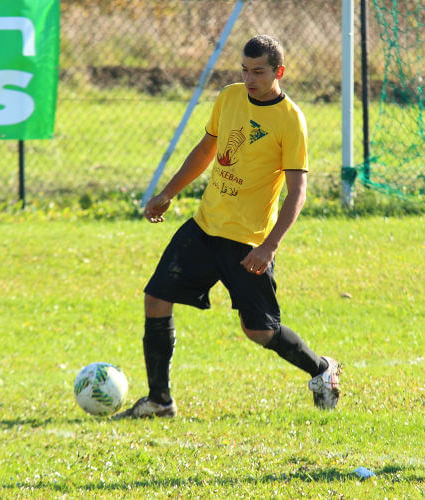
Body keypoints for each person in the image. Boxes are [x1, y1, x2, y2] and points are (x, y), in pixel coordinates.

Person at [115, 35, 341, 419]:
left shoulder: (291, 120)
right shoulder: (230, 97)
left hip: (247, 242)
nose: (249, 78)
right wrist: (169, 192)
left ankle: (322, 370)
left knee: (259, 331)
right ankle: (159, 401)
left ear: (278, 72)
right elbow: (206, 150)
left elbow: (297, 193)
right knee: (156, 299)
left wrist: (269, 247)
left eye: (258, 72)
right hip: (205, 226)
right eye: (245, 70)